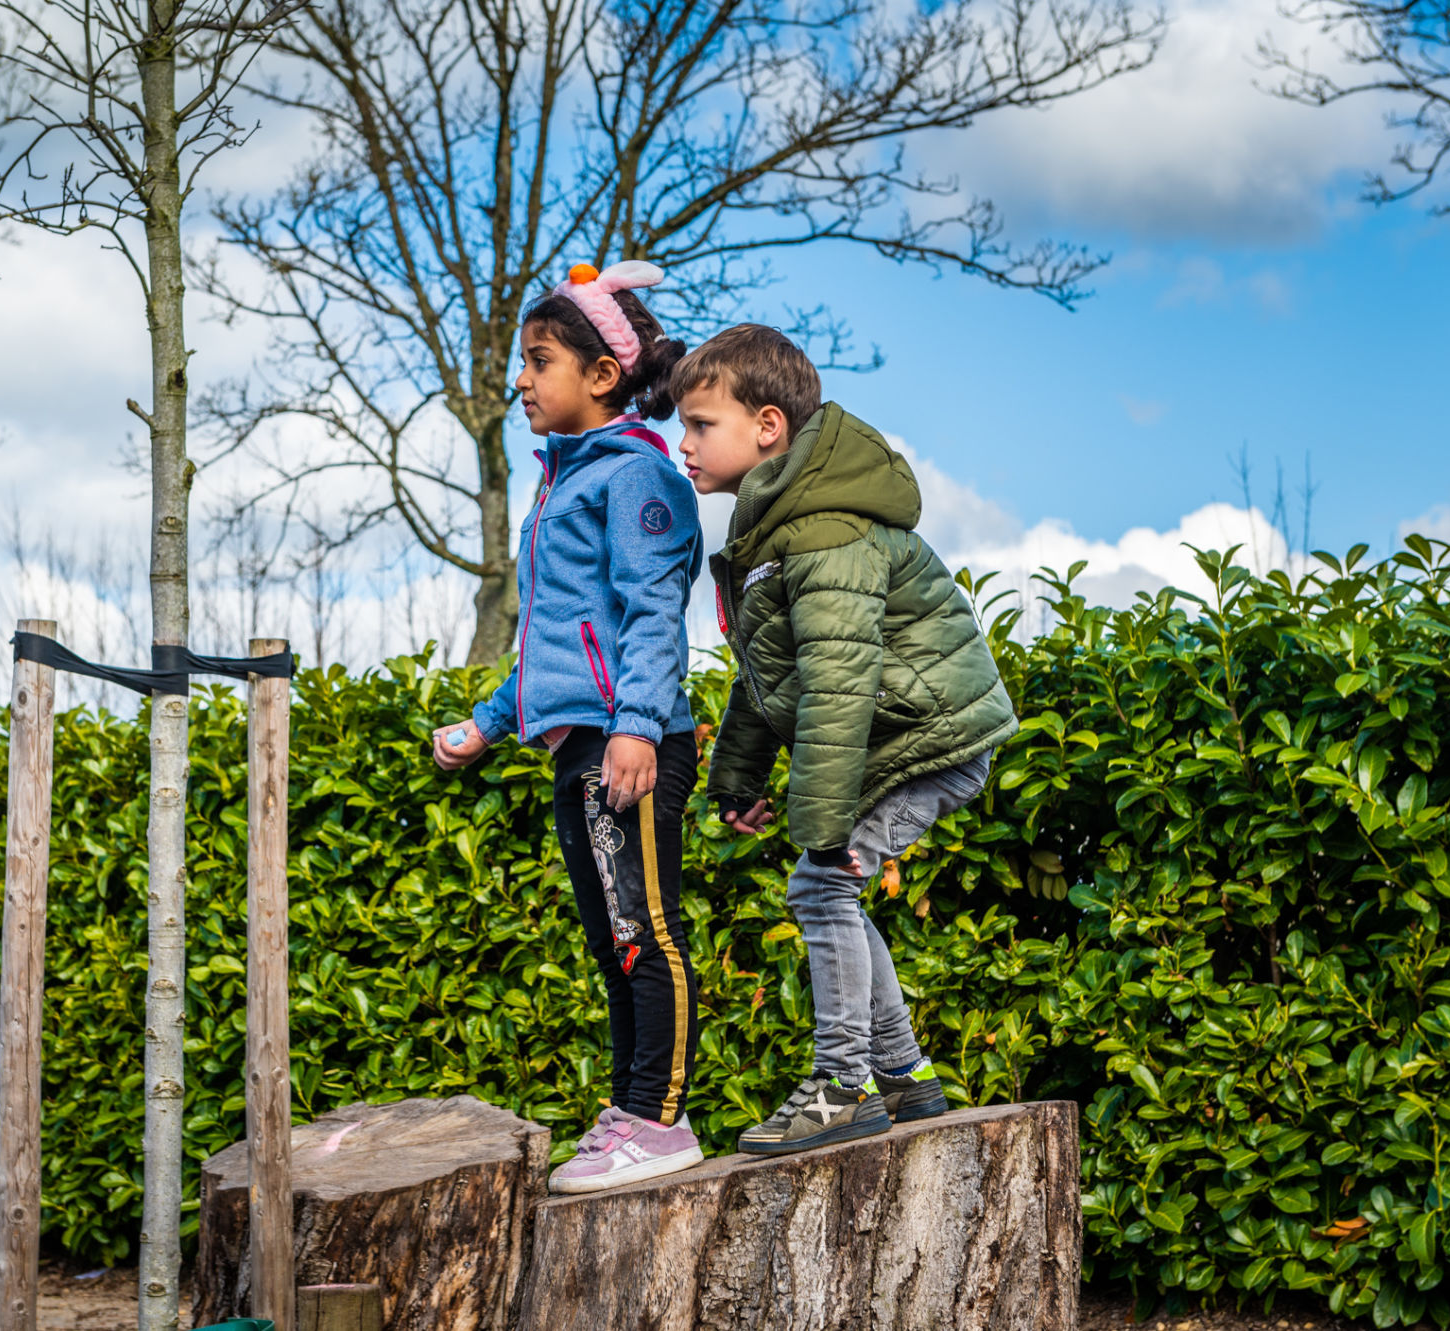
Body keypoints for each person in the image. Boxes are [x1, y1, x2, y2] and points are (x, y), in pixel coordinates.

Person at [671, 324, 1018, 1156]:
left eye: (699, 425)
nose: (682, 444)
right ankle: (902, 1076)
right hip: (902, 731)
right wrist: (738, 778)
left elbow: (836, 684)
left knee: (822, 884)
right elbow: (768, 673)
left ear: (767, 426)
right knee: (827, 888)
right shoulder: (773, 533)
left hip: (933, 731)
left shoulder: (826, 531)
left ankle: (843, 1085)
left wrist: (818, 822)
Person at [433, 261, 708, 1194]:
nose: (520, 379)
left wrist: (636, 726)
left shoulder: (636, 478)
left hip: (630, 744)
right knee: (610, 938)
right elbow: (551, 642)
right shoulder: (563, 485)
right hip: (580, 742)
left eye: (537, 359)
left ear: (601, 375)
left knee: (646, 931)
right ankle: (632, 1109)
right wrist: (487, 722)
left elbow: (652, 614)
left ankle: (659, 1121)